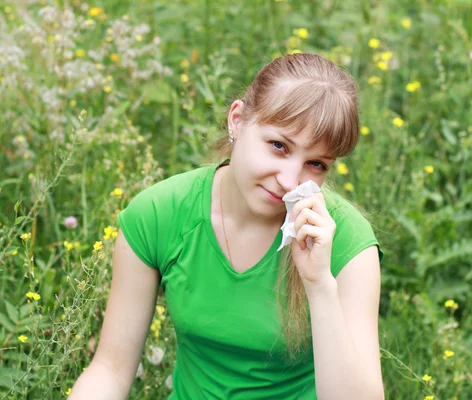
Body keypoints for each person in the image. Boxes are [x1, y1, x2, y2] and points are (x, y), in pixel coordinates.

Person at [69, 53, 385, 400]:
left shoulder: (345, 241)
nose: (290, 180)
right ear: (237, 120)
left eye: (316, 164)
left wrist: (319, 284)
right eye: (278, 146)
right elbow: (111, 369)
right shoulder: (161, 214)